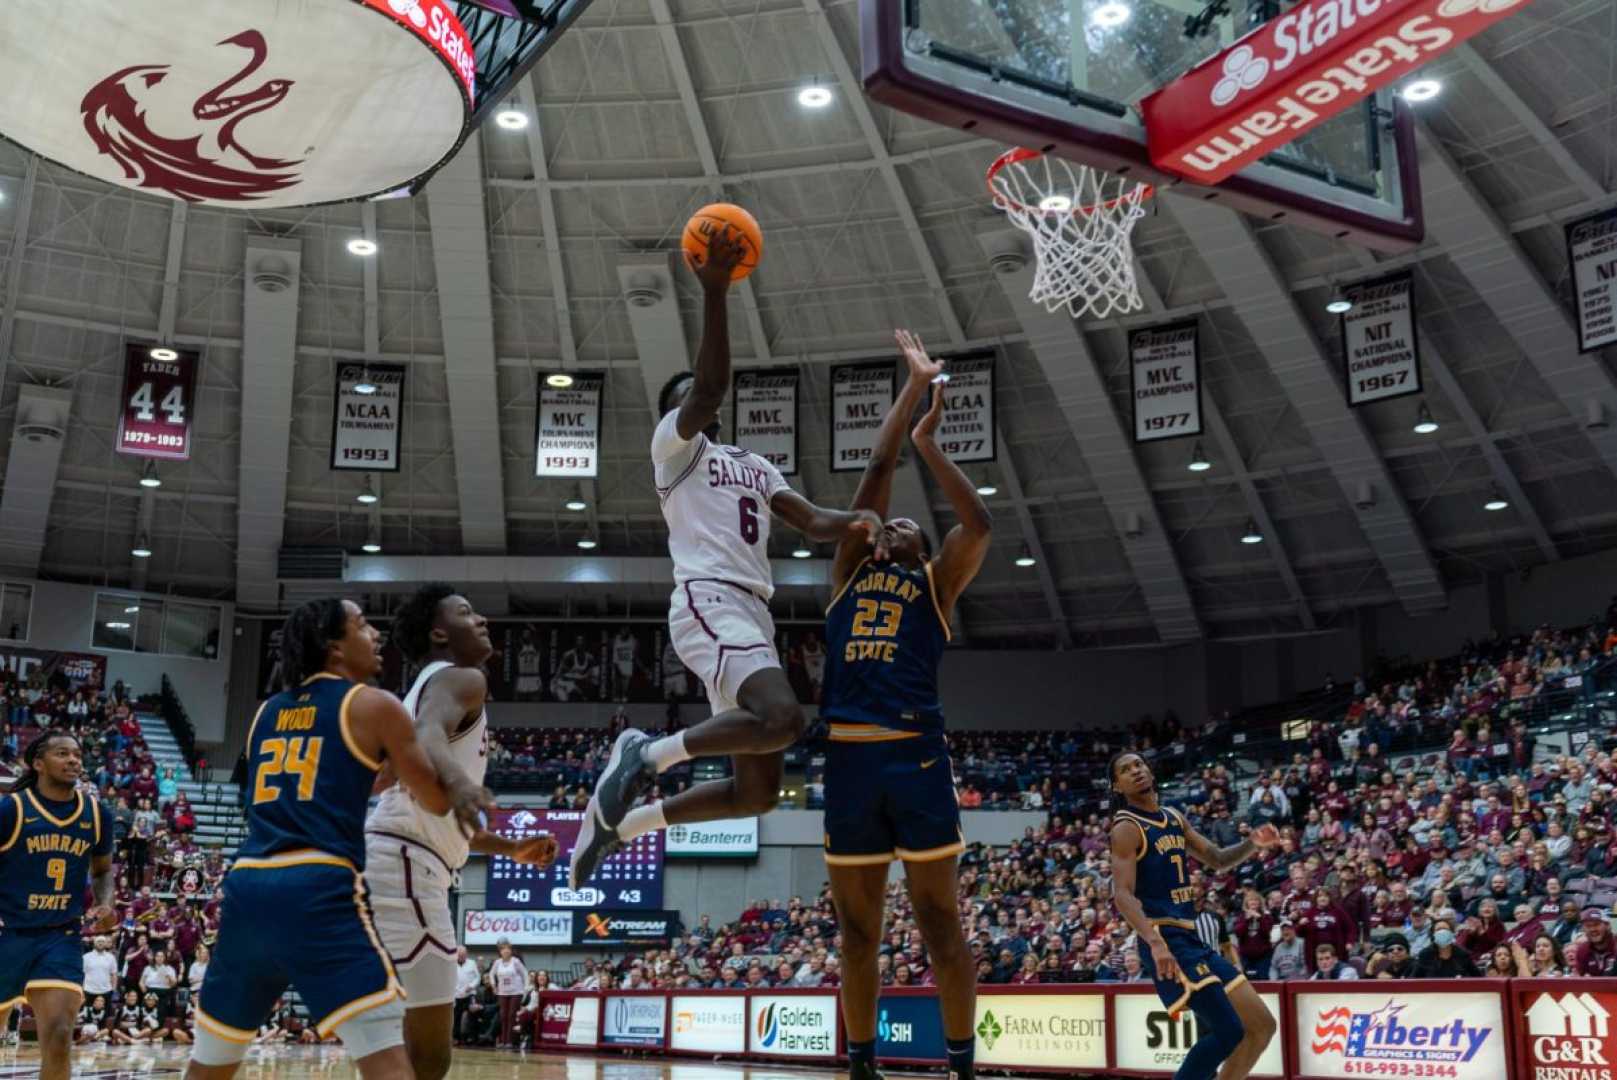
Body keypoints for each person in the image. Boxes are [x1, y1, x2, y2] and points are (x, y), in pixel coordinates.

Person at [569, 225, 881, 887]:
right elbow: (707, 390)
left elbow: (812, 520)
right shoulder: (674, 451)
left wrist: (859, 522)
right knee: (784, 717)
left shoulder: (752, 463)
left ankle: (619, 826)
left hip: (750, 614)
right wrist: (715, 289)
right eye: (686, 395)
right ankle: (644, 753)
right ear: (675, 412)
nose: (699, 397)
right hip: (709, 600)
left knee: (757, 793)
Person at [184, 597, 487, 1080]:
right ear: (334, 646)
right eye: (363, 625)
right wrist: (449, 778)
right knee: (390, 1061)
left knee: (212, 1063)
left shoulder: (264, 714)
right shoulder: (373, 704)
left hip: (247, 887)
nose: (376, 635)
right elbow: (432, 799)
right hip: (318, 888)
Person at [818, 332, 992, 1080]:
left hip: (915, 755)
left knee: (939, 925)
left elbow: (976, 527)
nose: (890, 526)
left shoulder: (934, 583)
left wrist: (930, 443)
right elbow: (874, 471)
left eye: (904, 527)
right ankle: (860, 1066)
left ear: (920, 547)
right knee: (857, 935)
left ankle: (961, 1065)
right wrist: (911, 388)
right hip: (850, 761)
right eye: (884, 524)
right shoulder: (849, 574)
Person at [364, 585, 558, 1080]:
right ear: (438, 633)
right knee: (430, 1054)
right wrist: (458, 782)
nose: (483, 620)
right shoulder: (460, 678)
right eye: (467, 613)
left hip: (402, 858)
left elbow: (430, 802)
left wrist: (511, 848)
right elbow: (429, 736)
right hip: (406, 866)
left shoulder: (427, 687)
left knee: (399, 1042)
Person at [1110, 752, 1279, 1080]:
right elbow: (1123, 895)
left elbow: (1216, 858)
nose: (1136, 771)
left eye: (1139, 765)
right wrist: (1155, 944)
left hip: (1191, 939)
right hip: (1165, 939)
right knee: (1229, 1030)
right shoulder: (1127, 827)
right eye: (1126, 770)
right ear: (1118, 785)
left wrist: (1252, 844)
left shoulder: (1174, 817)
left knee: (1261, 1027)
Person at [0, 730, 117, 1080]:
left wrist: (105, 902)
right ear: (38, 763)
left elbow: (102, 870)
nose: (73, 761)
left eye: (77, 755)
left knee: (61, 1034)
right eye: (62, 754)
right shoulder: (11, 810)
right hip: (7, 933)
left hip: (60, 936)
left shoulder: (96, 814)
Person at [1411, 917, 1482, 977]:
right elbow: (1414, 980)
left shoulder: (1463, 954)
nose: (1442, 932)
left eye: (1445, 929)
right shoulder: (1425, 955)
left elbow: (1479, 978)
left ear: (1451, 933)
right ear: (1433, 934)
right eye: (1439, 929)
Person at [488, 942, 527, 1049]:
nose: (506, 951)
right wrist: (493, 985)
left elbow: (525, 974)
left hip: (516, 992)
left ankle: (510, 1041)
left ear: (511, 951)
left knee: (511, 1016)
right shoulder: (497, 962)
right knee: (503, 1016)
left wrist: (525, 989)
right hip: (502, 992)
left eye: (508, 949)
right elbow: (491, 974)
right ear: (500, 952)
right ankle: (502, 1040)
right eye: (503, 949)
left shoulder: (516, 962)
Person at [452, 948, 479, 1045]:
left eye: (463, 955)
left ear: (466, 954)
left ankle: (472, 1037)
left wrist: (471, 986)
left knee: (473, 1014)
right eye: (460, 955)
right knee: (456, 1017)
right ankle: (456, 1038)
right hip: (456, 994)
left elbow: (477, 978)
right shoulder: (452, 963)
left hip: (470, 994)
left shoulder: (472, 963)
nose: (462, 957)